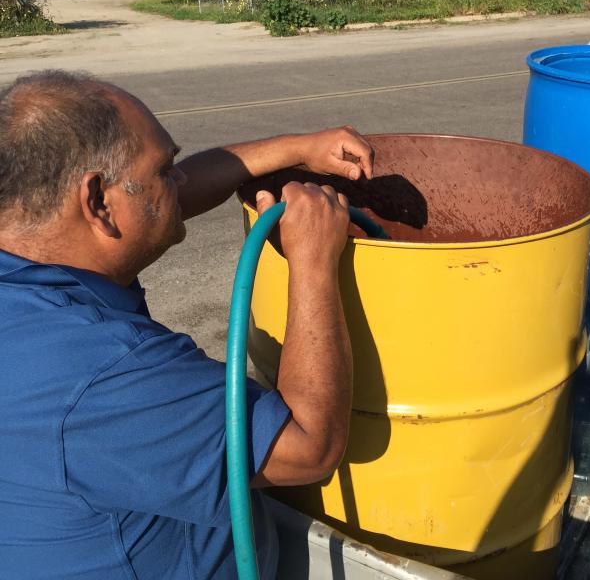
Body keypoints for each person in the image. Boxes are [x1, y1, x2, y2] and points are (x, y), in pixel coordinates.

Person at [0, 70, 375, 579]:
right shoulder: (106, 375)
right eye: (165, 169)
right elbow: (309, 447)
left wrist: (300, 148)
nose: (180, 181)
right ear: (97, 202)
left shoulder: (27, 253)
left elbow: (151, 206)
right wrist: (312, 261)